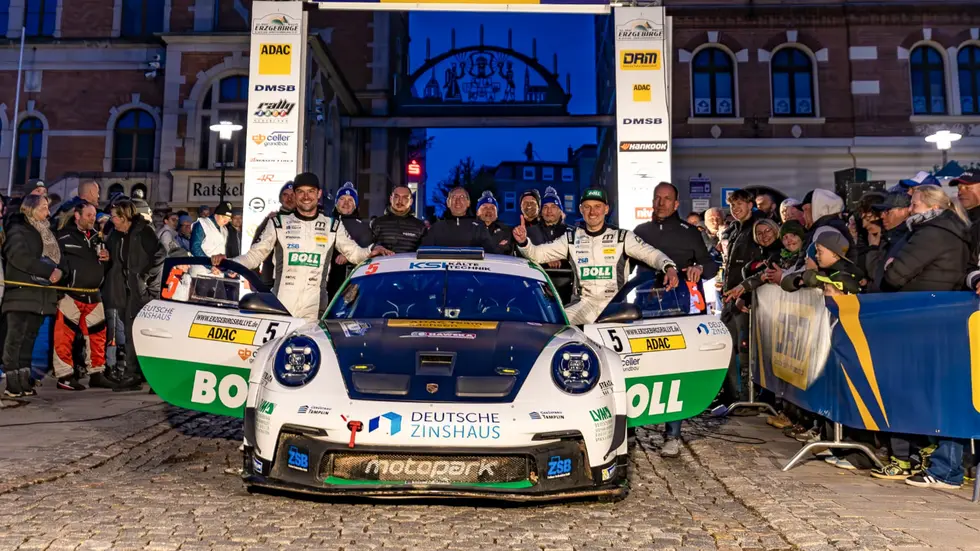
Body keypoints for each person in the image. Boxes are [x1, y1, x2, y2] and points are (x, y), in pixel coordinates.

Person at [214, 173, 392, 323]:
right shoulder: (278, 223)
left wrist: (371, 251)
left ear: (319, 194)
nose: (306, 197)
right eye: (300, 192)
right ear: (295, 194)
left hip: (314, 306)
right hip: (281, 302)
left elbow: (354, 254)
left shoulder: (332, 225)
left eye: (311, 192)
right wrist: (228, 262)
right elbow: (255, 256)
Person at [631, 182, 718, 458]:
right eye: (657, 198)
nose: (661, 203)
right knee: (639, 365)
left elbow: (711, 264)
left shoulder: (690, 232)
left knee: (675, 367)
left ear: (676, 204)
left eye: (667, 199)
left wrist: (699, 268)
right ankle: (631, 429)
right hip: (644, 305)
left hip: (678, 308)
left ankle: (673, 434)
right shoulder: (640, 232)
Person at [513, 186, 678, 325]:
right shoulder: (571, 238)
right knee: (551, 325)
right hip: (582, 307)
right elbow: (537, 255)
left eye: (597, 206)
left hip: (616, 306)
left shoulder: (622, 237)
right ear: (581, 210)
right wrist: (523, 242)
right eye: (587, 207)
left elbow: (651, 254)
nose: (592, 212)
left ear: (606, 209)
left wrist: (669, 267)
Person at [3, 195, 66, 397]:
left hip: (41, 296)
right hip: (20, 295)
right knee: (15, 339)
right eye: (44, 208)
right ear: (30, 209)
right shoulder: (17, 231)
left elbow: (59, 260)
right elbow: (19, 257)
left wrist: (59, 272)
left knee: (29, 339)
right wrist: (48, 272)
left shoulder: (46, 233)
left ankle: (24, 381)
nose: (48, 213)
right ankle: (13, 383)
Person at [104, 200, 164, 391]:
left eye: (114, 216)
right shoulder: (115, 235)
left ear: (124, 217)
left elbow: (160, 255)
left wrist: (144, 276)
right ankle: (134, 373)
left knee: (142, 332)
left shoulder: (144, 232)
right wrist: (108, 257)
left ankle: (141, 374)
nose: (111, 219)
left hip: (141, 290)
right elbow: (116, 257)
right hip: (124, 289)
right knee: (130, 332)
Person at [53, 202, 111, 390]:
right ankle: (64, 376)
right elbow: (56, 262)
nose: (92, 218)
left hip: (94, 294)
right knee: (64, 336)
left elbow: (104, 265)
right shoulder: (63, 236)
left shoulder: (97, 237)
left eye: (93, 215)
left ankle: (97, 373)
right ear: (77, 216)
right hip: (71, 294)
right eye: (88, 215)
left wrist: (107, 259)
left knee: (98, 336)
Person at [880, 184, 971, 293]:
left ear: (934, 207)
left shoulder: (930, 234)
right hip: (941, 299)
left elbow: (893, 277)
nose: (909, 210)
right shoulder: (952, 229)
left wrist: (890, 265)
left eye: (914, 205)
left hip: (920, 302)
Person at [327, 182, 373, 300]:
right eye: (342, 199)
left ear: (355, 205)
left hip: (352, 281)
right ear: (336, 202)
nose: (346, 203)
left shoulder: (363, 227)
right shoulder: (326, 222)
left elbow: (368, 253)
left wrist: (348, 256)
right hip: (325, 281)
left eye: (350, 200)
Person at [528, 187, 573, 304]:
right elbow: (524, 256)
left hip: (567, 288)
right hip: (536, 288)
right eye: (545, 207)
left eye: (553, 207)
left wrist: (560, 259)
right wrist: (545, 260)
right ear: (541, 212)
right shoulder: (530, 232)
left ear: (560, 211)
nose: (549, 211)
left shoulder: (571, 232)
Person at [421, 187, 499, 251]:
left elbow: (491, 255)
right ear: (448, 203)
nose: (458, 201)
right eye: (454, 197)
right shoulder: (436, 228)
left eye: (462, 197)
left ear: (468, 203)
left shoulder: (479, 228)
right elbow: (423, 254)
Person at [253, 182, 296, 288]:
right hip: (270, 281)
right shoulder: (271, 219)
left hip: (295, 282)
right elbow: (254, 250)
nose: (289, 198)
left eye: (292, 195)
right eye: (285, 195)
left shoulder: (306, 221)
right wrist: (254, 279)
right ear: (280, 198)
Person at [370, 184, 426, 253]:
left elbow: (424, 253)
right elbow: (368, 248)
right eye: (396, 197)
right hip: (384, 263)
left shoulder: (420, 226)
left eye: (405, 198)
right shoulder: (377, 223)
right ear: (391, 199)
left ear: (411, 201)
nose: (400, 201)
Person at [475, 191, 515, 255]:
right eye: (485, 207)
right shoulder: (469, 228)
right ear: (477, 212)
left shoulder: (506, 231)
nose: (489, 210)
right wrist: (497, 247)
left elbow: (506, 251)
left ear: (497, 214)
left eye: (492, 208)